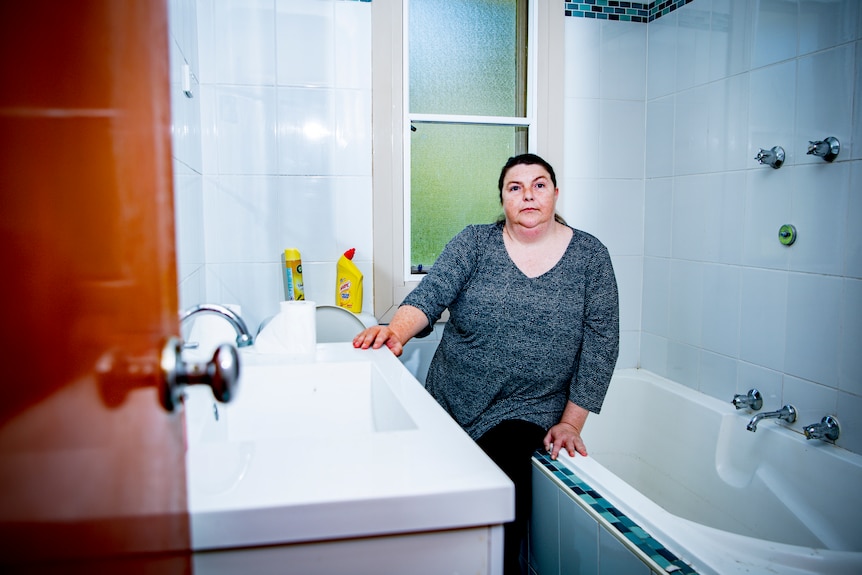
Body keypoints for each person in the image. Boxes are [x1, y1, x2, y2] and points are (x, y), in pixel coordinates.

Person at [353, 153, 619, 575]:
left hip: (527, 409)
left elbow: (602, 345)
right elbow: (430, 295)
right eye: (515, 187)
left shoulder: (590, 257)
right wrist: (395, 332)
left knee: (499, 504)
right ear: (503, 197)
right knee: (431, 509)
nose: (528, 194)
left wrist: (571, 423)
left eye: (539, 184)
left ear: (555, 193)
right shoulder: (475, 242)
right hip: (451, 399)